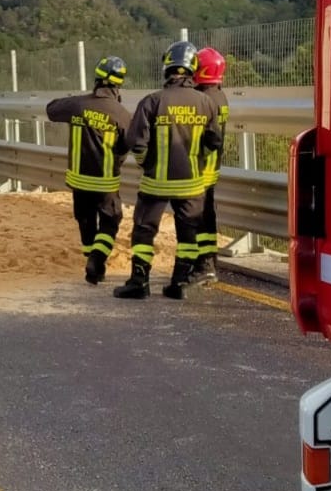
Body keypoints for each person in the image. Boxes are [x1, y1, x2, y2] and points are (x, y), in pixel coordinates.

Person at [113, 41, 223, 301]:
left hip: (155, 184)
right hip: (192, 184)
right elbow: (214, 142)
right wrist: (197, 161)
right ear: (192, 69)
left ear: (167, 66)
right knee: (188, 234)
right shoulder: (206, 103)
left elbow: (136, 143)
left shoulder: (152, 101)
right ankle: (180, 284)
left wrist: (145, 165)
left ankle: (139, 282)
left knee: (143, 231)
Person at [45, 56, 132, 284]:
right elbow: (128, 144)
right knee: (110, 220)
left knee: (85, 221)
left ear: (97, 79)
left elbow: (51, 109)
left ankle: (90, 257)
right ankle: (97, 258)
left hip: (79, 180)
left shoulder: (78, 105)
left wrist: (76, 102)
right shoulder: (121, 114)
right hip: (105, 182)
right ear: (119, 84)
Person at [193, 46, 229, 283]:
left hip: (200, 169)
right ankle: (208, 263)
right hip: (212, 169)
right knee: (207, 216)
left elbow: (208, 138)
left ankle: (204, 266)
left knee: (198, 219)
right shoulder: (220, 97)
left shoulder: (205, 99)